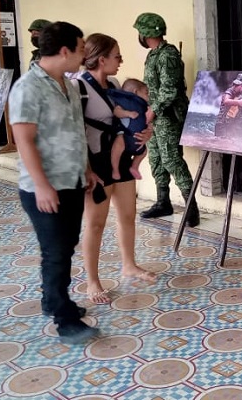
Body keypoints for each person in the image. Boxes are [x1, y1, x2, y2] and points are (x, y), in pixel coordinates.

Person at [8, 21, 100, 345]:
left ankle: (51, 300)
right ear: (65, 51)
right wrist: (42, 185)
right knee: (56, 252)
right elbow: (24, 140)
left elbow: (77, 133)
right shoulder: (27, 88)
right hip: (44, 188)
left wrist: (86, 170)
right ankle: (65, 319)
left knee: (65, 245)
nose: (84, 55)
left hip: (72, 181)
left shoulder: (69, 85)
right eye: (81, 48)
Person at [73, 33, 156, 305]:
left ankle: (129, 264)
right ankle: (92, 281)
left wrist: (146, 133)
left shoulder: (116, 84)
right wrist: (84, 168)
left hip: (120, 158)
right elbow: (74, 132)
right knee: (95, 223)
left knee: (127, 215)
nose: (121, 61)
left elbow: (132, 120)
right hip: (95, 162)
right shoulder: (78, 87)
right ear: (101, 59)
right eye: (117, 56)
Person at [133, 13, 199, 226]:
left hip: (168, 117)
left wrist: (153, 111)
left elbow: (169, 91)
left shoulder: (167, 55)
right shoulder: (154, 55)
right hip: (155, 117)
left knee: (172, 159)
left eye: (140, 32)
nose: (139, 36)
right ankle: (163, 202)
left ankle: (191, 209)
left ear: (147, 33)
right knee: (157, 160)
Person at [108, 78, 150, 180]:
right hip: (125, 133)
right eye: (146, 93)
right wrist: (128, 114)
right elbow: (116, 112)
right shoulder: (124, 102)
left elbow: (148, 120)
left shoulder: (143, 106)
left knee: (144, 152)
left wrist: (149, 130)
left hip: (138, 138)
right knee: (118, 145)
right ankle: (115, 169)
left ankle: (134, 167)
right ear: (136, 92)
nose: (148, 96)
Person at [215, 73, 242, 145]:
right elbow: (226, 103)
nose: (234, 86)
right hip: (223, 125)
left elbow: (230, 116)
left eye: (237, 85)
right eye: (234, 84)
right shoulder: (234, 94)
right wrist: (238, 102)